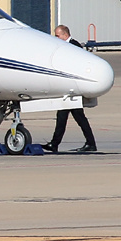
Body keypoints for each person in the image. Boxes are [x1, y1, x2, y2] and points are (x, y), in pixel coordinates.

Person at [42, 25, 98, 153]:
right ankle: (55, 144)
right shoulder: (64, 46)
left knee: (74, 117)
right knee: (66, 117)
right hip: (68, 89)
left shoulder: (74, 46)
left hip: (74, 89)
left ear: (65, 35)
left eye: (57, 36)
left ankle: (89, 143)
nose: (56, 38)